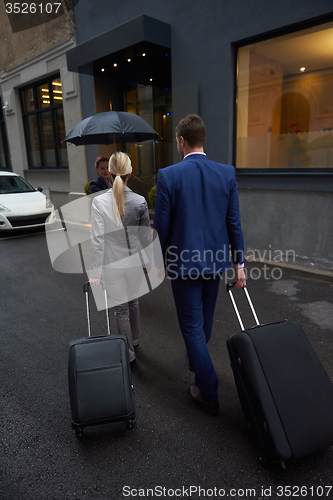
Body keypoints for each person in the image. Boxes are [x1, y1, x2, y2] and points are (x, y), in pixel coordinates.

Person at [153, 114, 246, 415]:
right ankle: (198, 360)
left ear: (181, 141)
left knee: (192, 327)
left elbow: (162, 226)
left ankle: (208, 390)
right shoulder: (226, 173)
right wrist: (239, 266)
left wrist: (157, 261)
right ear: (203, 139)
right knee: (203, 320)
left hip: (183, 265)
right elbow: (234, 223)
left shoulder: (169, 175)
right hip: (216, 264)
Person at [89, 152, 152, 367]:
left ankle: (128, 353)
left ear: (110, 173)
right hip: (134, 262)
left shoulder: (99, 202)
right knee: (134, 302)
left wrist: (94, 271)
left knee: (121, 310)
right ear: (130, 173)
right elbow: (145, 237)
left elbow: (97, 240)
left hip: (112, 264)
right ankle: (135, 340)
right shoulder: (140, 201)